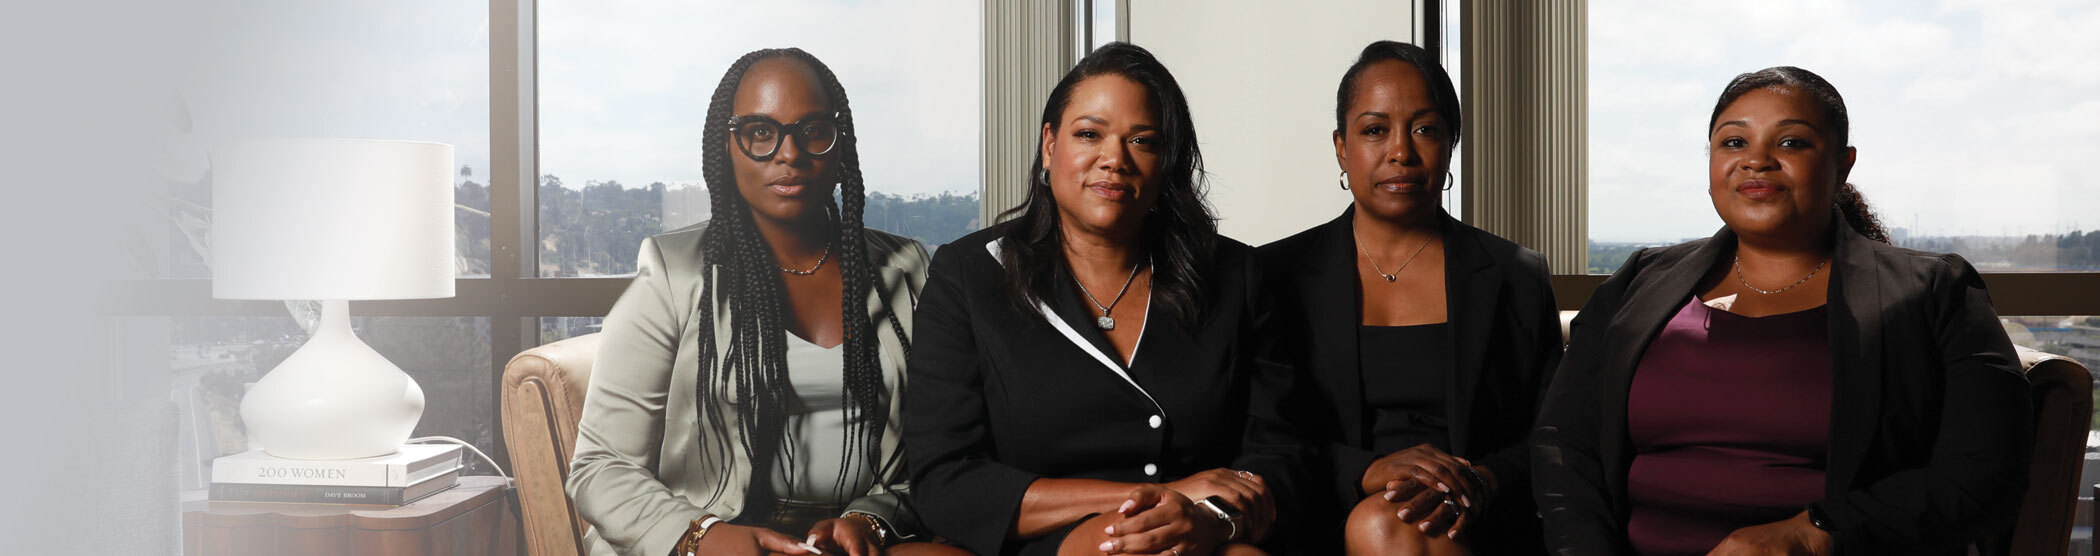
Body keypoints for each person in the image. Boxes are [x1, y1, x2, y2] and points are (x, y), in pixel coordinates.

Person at [1531, 66, 2031, 555]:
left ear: (1842, 165)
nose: (1757, 161)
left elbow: (1986, 473)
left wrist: (1815, 533)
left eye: (1791, 142)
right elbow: (1564, 441)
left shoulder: (1935, 291)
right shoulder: (1640, 279)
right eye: (1734, 142)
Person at [902, 42, 1304, 556]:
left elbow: (1282, 452)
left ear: (1166, 162)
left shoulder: (1235, 274)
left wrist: (1214, 520)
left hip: (1198, 537)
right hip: (1041, 541)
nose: (1114, 160)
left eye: (1143, 141)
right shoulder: (970, 273)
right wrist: (1168, 495)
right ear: (1050, 145)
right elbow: (944, 480)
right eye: (1089, 134)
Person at [566, 47, 965, 556]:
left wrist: (873, 518)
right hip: (709, 537)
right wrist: (701, 535)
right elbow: (600, 466)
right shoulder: (674, 276)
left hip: (849, 543)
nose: (789, 153)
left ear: (840, 146)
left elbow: (944, 452)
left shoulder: (907, 269)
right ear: (726, 147)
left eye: (813, 130)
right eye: (760, 132)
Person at [1258, 40, 1557, 556]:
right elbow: (1262, 436)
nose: (1401, 152)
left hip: (1479, 525)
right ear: (1341, 147)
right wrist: (1367, 471)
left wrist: (1479, 481)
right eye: (1375, 130)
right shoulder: (1273, 276)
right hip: (1321, 519)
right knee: (1384, 522)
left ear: (1451, 144)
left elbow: (1556, 435)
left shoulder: (1515, 275)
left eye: (1425, 130)